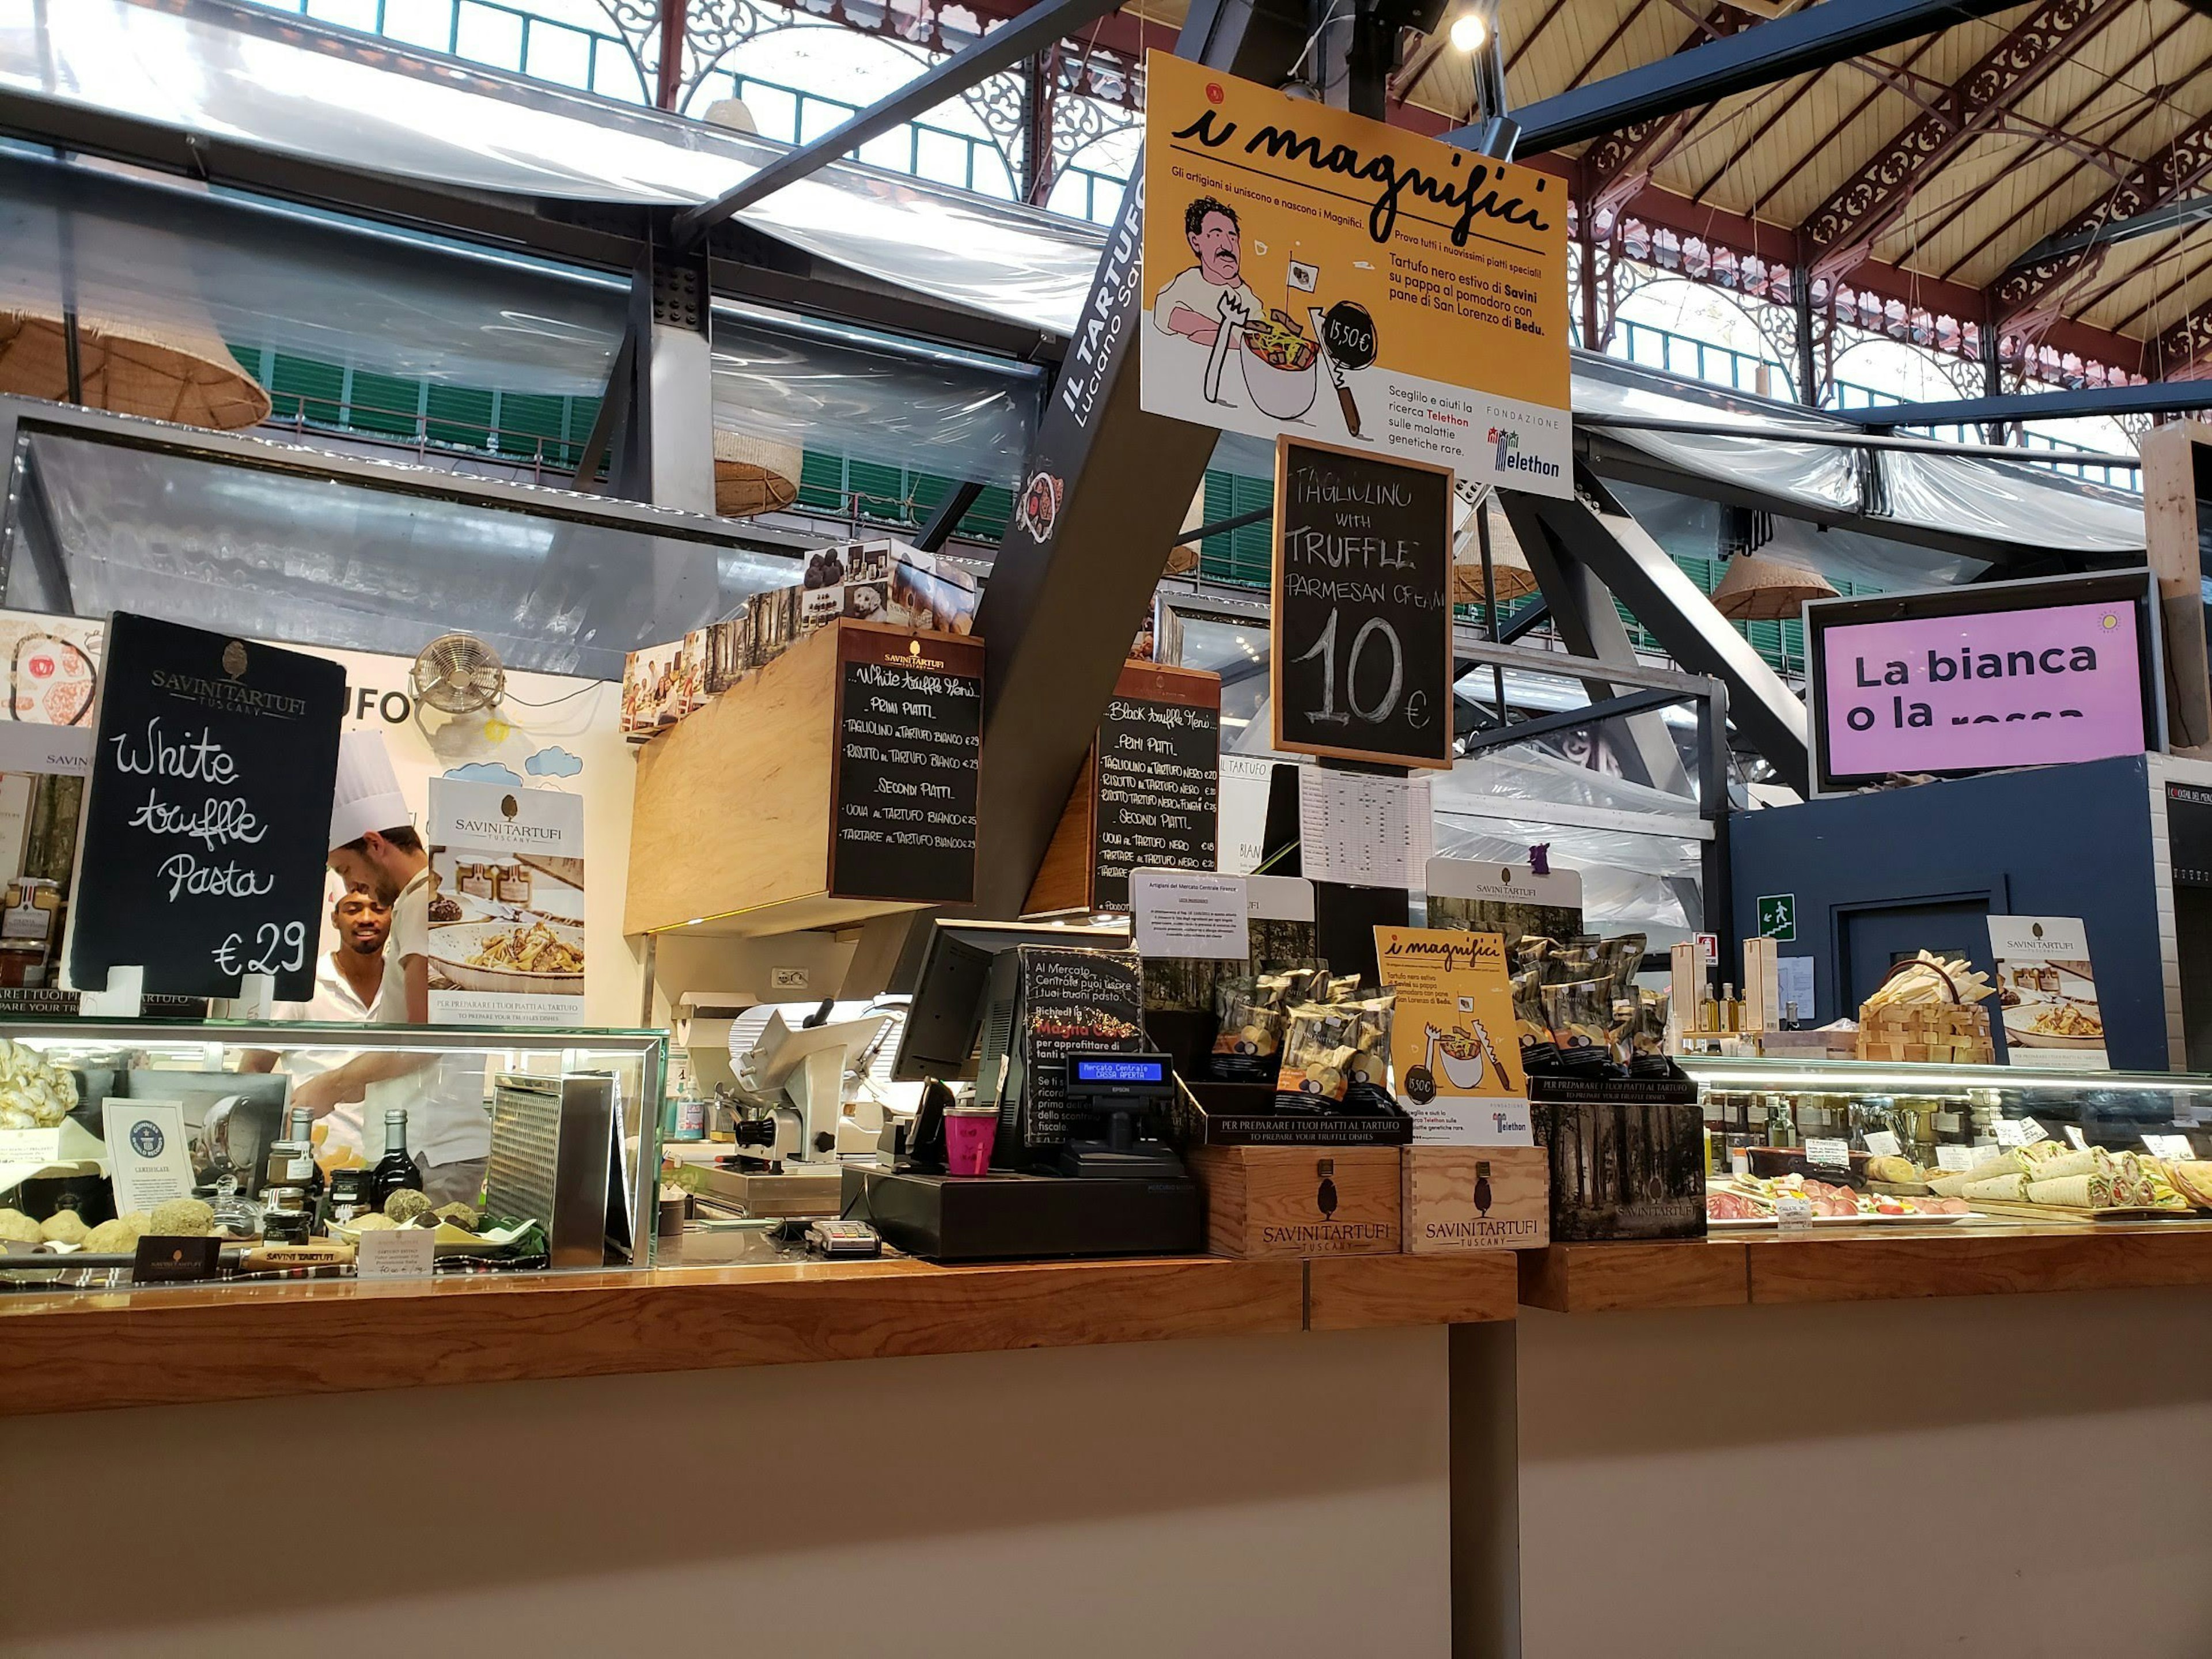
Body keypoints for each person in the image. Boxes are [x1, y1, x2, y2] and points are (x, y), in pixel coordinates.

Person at [289, 730, 492, 1206]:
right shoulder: (430, 896)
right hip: (425, 1144)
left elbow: (422, 1038)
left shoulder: (423, 901)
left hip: (429, 1149)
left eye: (344, 869)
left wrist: (332, 1084)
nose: (349, 885)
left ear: (375, 844)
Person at [242, 884, 399, 1165]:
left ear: (393, 917)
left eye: (378, 909)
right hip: (316, 1155)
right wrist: (253, 1146)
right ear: (335, 918)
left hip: (391, 1153)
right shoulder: (303, 983)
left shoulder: (403, 985)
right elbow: (254, 1066)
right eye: (353, 909)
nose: (366, 918)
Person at [1153, 196, 1266, 349]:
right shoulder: (1188, 282)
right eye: (1216, 235)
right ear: (1195, 241)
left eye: (1233, 237)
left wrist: (1214, 334)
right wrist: (1229, 334)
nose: (1228, 246)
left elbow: (1257, 343)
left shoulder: (1248, 299)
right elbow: (1167, 315)